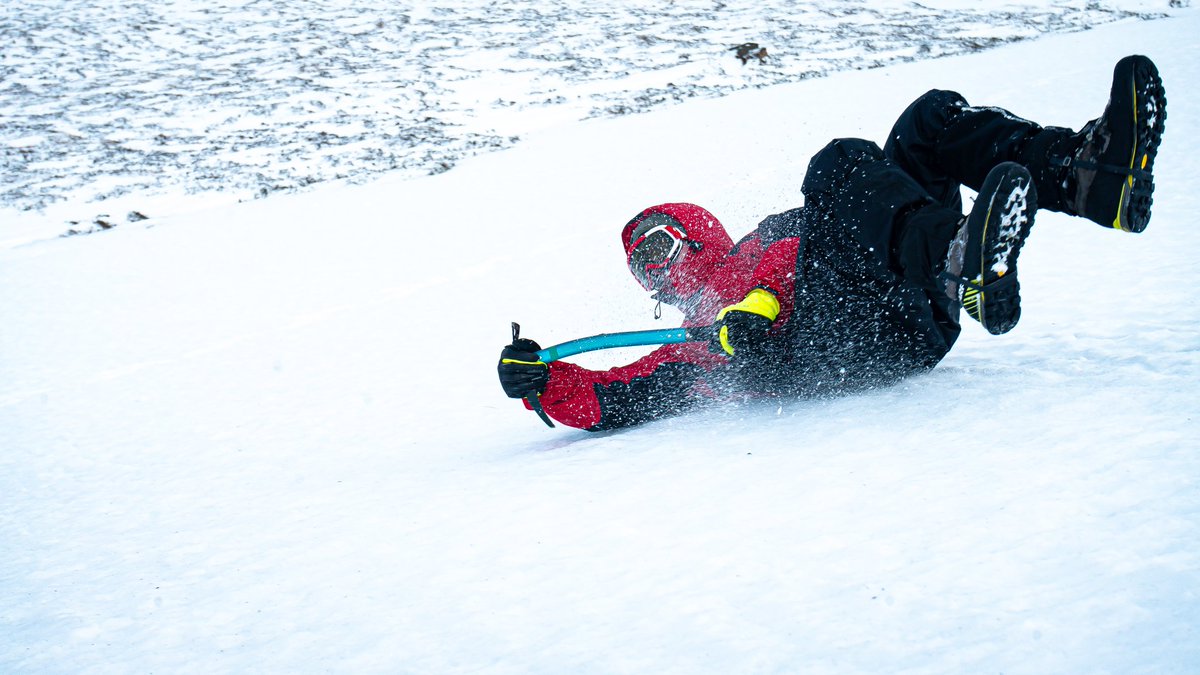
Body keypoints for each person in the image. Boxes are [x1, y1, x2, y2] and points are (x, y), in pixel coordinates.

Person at [498, 55, 1167, 431]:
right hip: (849, 347)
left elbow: (812, 248)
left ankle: (1085, 177)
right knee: (839, 163)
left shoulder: (766, 242)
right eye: (642, 265)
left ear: (695, 229)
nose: (654, 268)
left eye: (659, 245)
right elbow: (619, 392)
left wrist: (760, 295)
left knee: (927, 120)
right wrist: (543, 382)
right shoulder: (697, 338)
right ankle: (960, 256)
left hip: (909, 298)